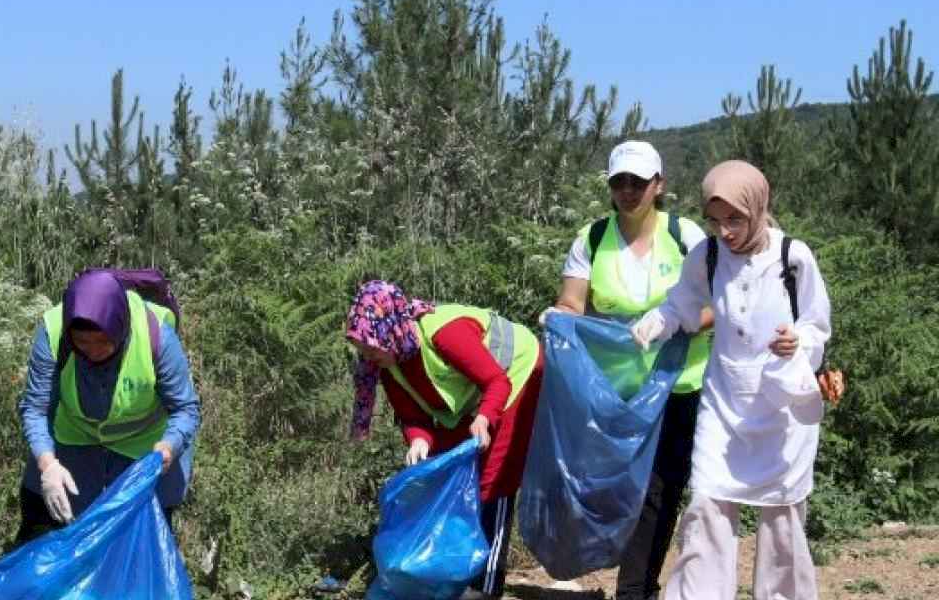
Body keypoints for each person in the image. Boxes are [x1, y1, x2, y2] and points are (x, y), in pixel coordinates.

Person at [630, 160, 832, 599]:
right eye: (715, 220)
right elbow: (680, 304)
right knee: (706, 505)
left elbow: (818, 325)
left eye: (735, 219)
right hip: (724, 403)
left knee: (782, 517)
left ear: (758, 209)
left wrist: (797, 341)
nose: (725, 231)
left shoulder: (791, 257)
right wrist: (655, 323)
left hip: (781, 409)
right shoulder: (709, 255)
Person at [548, 140, 712, 600]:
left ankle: (635, 589)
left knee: (660, 490)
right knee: (618, 489)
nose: (627, 191)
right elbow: (573, 301)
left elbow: (720, 304)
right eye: (618, 181)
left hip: (680, 387)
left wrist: (675, 325)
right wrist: (559, 315)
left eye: (638, 182)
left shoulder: (686, 237)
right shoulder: (593, 238)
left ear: (658, 185)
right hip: (617, 391)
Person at [346, 280, 544, 600]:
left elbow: (497, 380)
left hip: (516, 375)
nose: (367, 354)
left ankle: (486, 586)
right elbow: (413, 417)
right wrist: (418, 440)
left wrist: (485, 417)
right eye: (362, 347)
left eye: (371, 345)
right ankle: (452, 573)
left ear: (391, 329)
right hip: (474, 396)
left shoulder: (445, 333)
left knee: (493, 481)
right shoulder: (390, 362)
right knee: (446, 477)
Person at [12, 269, 201, 545]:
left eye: (103, 341)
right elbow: (36, 407)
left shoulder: (156, 336)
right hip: (76, 438)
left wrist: (168, 448)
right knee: (61, 524)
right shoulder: (54, 332)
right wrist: (47, 463)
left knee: (140, 536)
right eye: (82, 341)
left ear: (120, 326)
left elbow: (186, 409)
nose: (93, 350)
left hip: (146, 448)